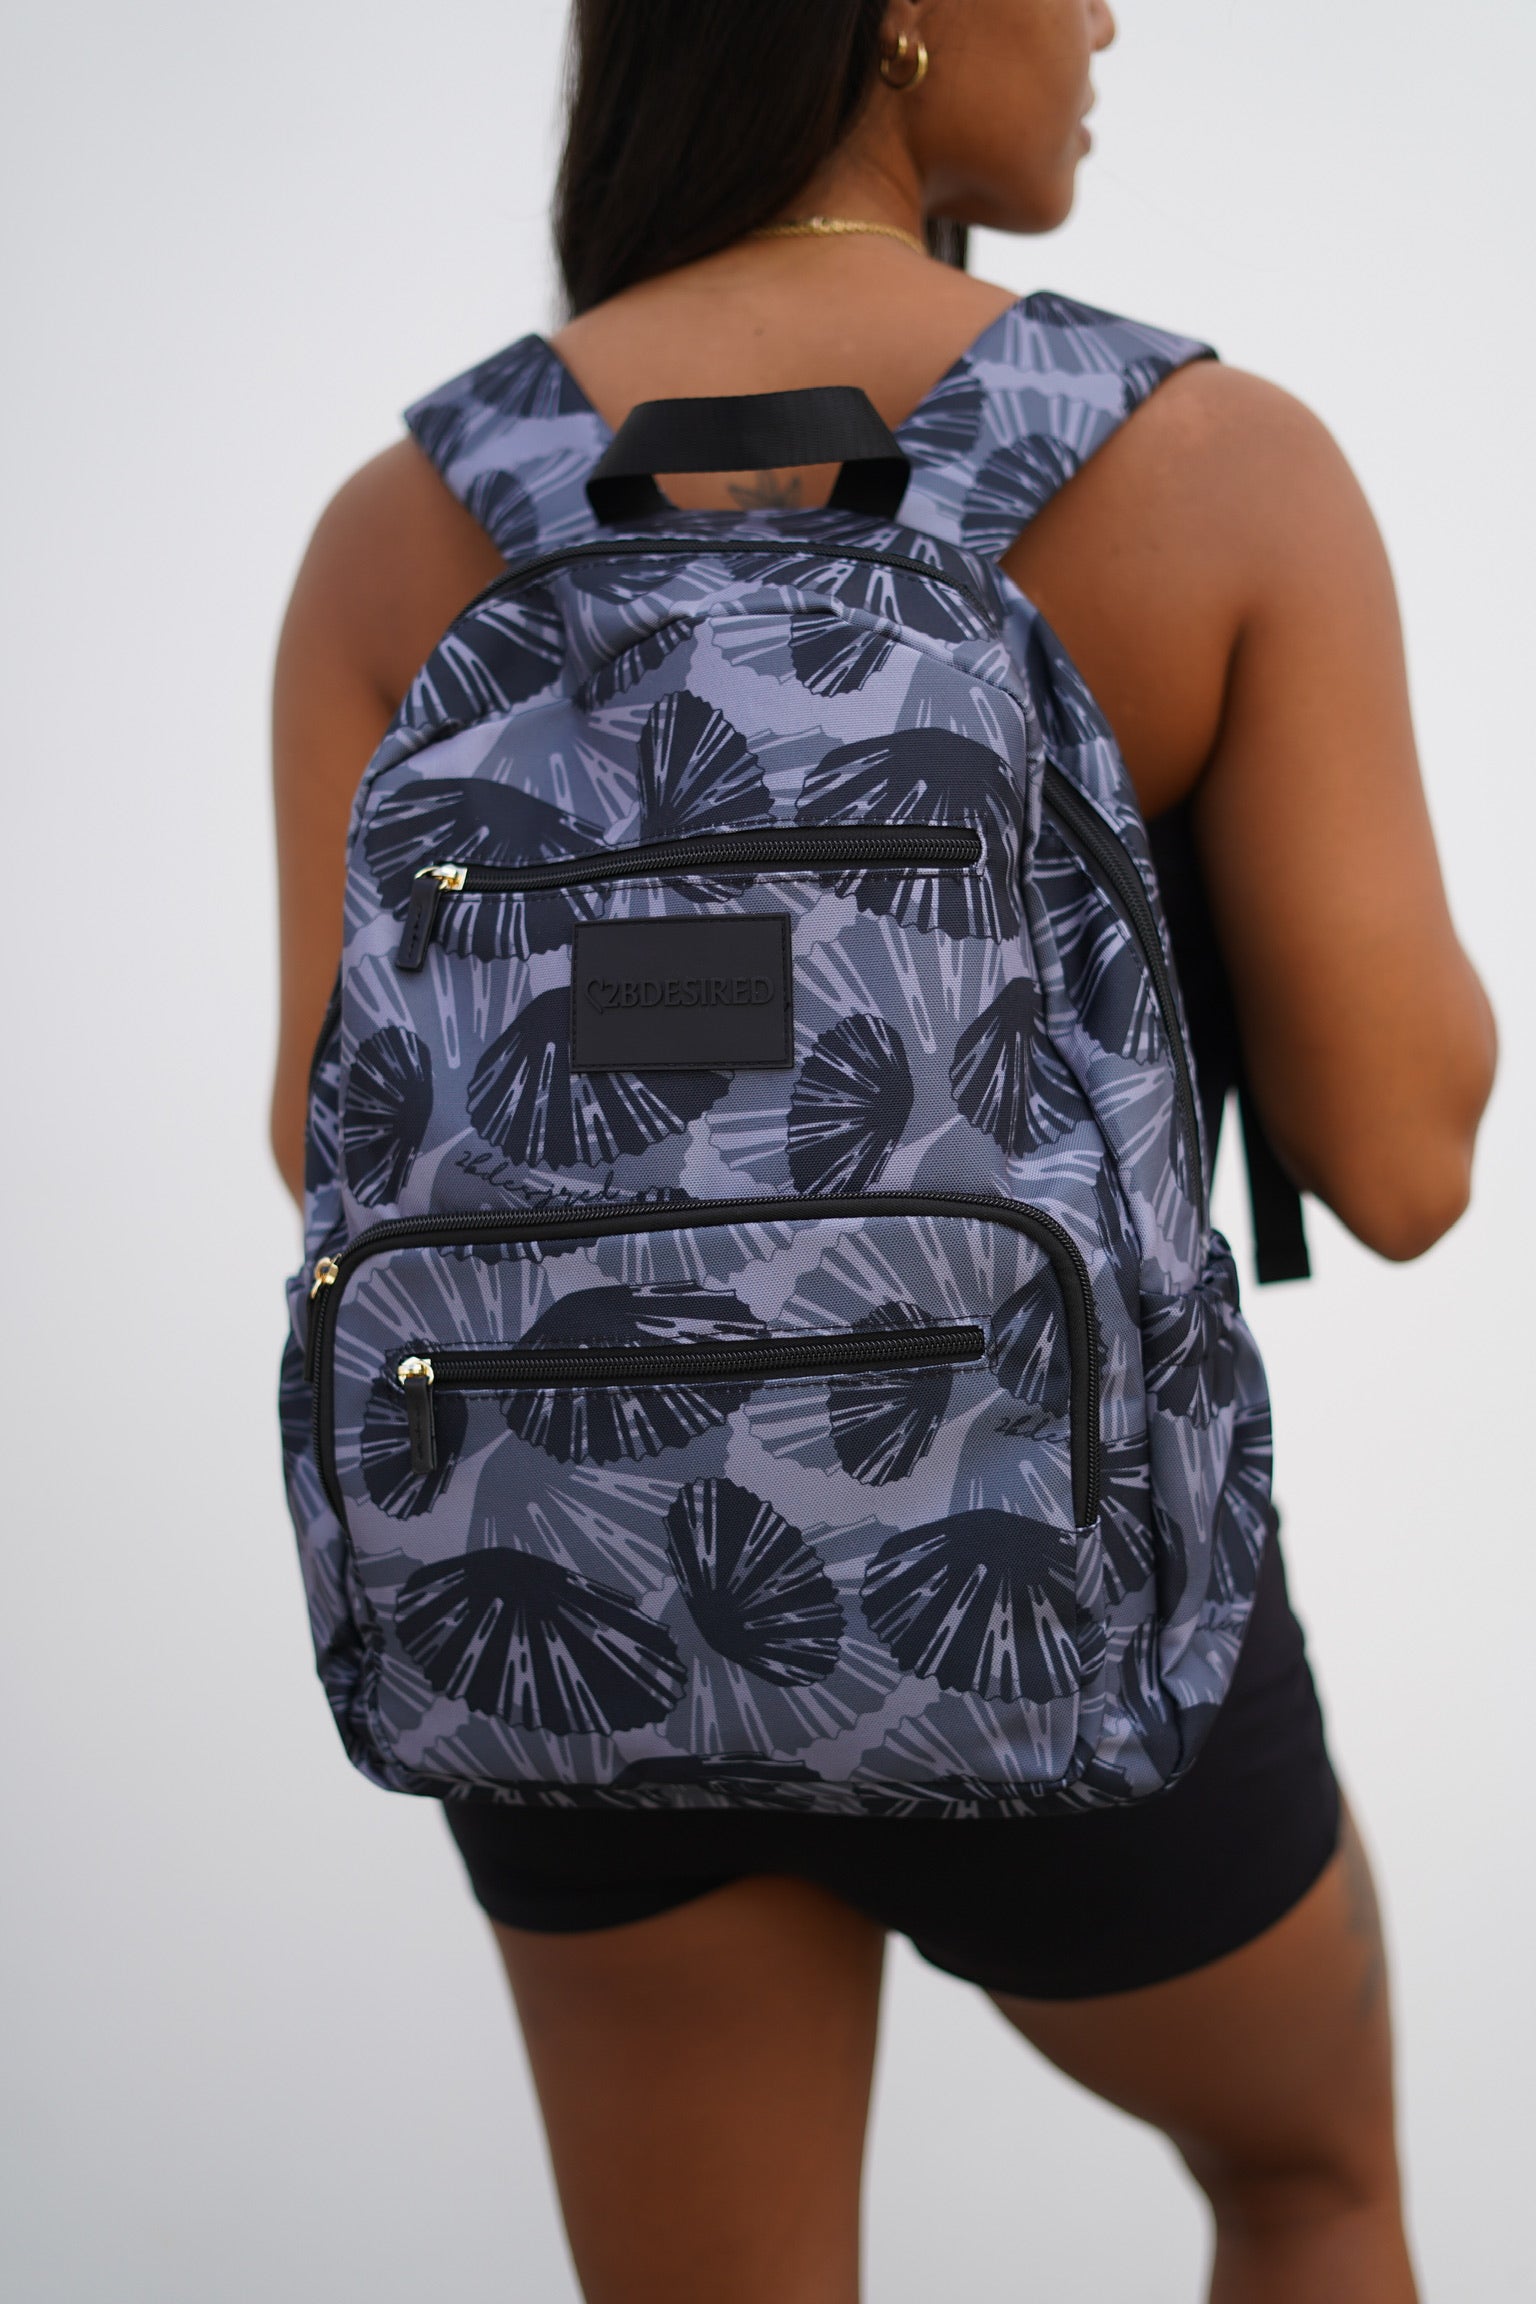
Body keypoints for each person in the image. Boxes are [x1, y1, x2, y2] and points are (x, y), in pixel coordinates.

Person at [270, 5, 1496, 2298]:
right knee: (1307, 2185)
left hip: (567, 1589)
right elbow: (1403, 1164)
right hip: (1056, 1575)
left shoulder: (402, 528)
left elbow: (316, 1143)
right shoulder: (1216, 468)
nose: (1108, 14)